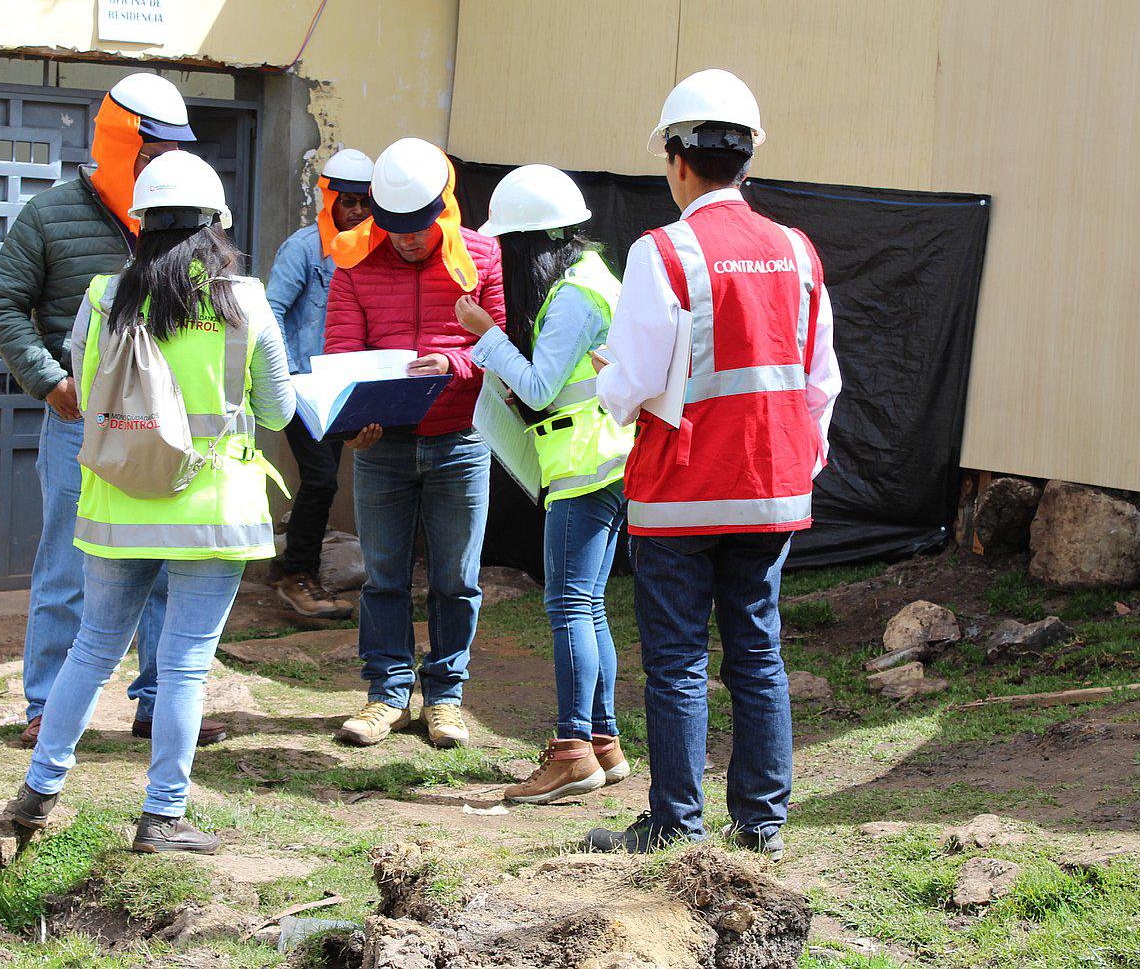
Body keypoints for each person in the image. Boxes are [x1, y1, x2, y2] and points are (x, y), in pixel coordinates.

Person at [583, 70, 841, 858]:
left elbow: (628, 386)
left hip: (680, 493)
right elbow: (819, 380)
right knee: (757, 652)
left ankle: (674, 826)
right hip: (771, 491)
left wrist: (606, 381)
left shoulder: (664, 251)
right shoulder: (797, 251)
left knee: (678, 662)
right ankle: (761, 826)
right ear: (746, 158)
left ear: (676, 157)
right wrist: (799, 464)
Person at [11, 151, 294, 854]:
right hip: (211, 510)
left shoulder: (104, 297)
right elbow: (282, 413)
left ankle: (39, 791)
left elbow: (83, 384)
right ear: (216, 228)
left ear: (140, 225)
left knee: (92, 648)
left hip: (119, 502)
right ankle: (162, 817)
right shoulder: (246, 301)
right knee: (186, 663)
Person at [0, 73, 226, 749]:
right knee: (67, 563)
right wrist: (49, 379)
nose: (162, 161)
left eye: (174, 148)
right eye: (151, 148)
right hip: (76, 421)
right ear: (122, 141)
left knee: (163, 559)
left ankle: (155, 702)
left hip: (167, 425)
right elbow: (3, 304)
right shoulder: (51, 214)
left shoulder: (183, 210)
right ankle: (45, 707)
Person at [455, 164, 634, 803]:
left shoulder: (573, 298)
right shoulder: (592, 280)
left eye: (508, 246)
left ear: (529, 242)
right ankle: (603, 744)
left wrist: (487, 336)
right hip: (605, 460)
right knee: (588, 605)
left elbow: (538, 386)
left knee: (568, 608)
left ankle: (572, 751)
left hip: (585, 465)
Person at [324, 137, 505, 750]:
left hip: (460, 437)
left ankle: (446, 697)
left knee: (456, 577)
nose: (405, 239)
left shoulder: (480, 256)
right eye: (393, 227)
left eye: (418, 228)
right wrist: (356, 419)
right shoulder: (351, 259)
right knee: (383, 576)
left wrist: (454, 364)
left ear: (443, 208)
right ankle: (386, 695)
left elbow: (498, 347)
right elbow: (341, 354)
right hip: (384, 445)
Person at [265, 149, 374, 619]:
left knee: (325, 482)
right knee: (321, 478)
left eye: (365, 202)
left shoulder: (373, 249)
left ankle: (295, 569)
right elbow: (269, 312)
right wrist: (286, 378)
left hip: (346, 385)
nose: (356, 212)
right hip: (302, 385)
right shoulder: (304, 248)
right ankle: (297, 578)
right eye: (347, 201)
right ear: (328, 199)